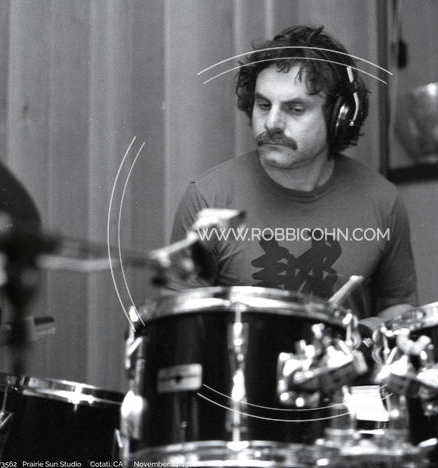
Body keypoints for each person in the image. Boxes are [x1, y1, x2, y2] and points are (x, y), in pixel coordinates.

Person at [171, 25, 417, 325]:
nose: (272, 123)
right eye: (263, 105)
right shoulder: (207, 201)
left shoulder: (383, 201)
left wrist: (372, 330)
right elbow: (181, 330)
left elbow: (399, 306)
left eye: (296, 109)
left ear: (338, 117)